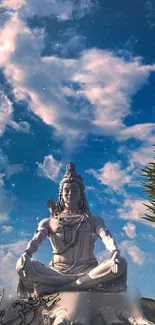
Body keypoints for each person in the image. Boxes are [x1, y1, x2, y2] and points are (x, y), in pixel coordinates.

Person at [16, 163, 127, 298]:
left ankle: (62, 287)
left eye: (74, 190)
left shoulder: (94, 220)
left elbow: (106, 236)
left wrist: (114, 252)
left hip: (87, 270)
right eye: (66, 190)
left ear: (81, 194)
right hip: (57, 272)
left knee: (120, 262)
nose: (70, 194)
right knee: (21, 265)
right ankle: (83, 284)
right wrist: (27, 254)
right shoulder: (49, 221)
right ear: (61, 194)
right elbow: (36, 241)